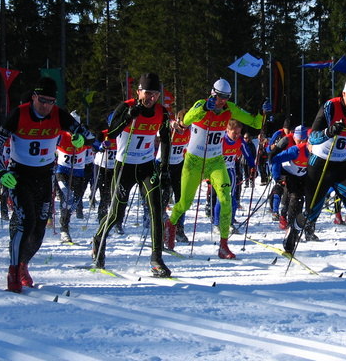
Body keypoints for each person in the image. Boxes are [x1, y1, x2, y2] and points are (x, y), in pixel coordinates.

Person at [0, 77, 92, 292]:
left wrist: (81, 138)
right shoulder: (19, 113)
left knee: (39, 229)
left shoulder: (59, 114)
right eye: (42, 100)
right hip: (19, 175)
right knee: (26, 221)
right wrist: (1, 171)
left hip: (45, 176)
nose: (46, 106)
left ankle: (23, 264)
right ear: (34, 97)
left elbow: (87, 135)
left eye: (51, 101)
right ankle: (13, 271)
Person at [283, 74, 346, 276]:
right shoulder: (330, 107)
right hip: (320, 165)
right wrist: (329, 132)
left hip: (342, 166)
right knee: (311, 214)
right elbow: (313, 138)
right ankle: (294, 230)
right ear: (343, 94)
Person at [166, 78, 268, 259]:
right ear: (213, 93)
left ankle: (223, 245)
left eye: (226, 97)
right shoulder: (201, 104)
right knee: (184, 203)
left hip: (216, 162)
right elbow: (187, 120)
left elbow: (255, 123)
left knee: (226, 200)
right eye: (220, 97)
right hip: (194, 162)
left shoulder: (230, 108)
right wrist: (205, 108)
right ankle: (170, 227)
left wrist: (261, 113)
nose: (223, 101)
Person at [91, 73, 171, 277]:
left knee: (156, 210)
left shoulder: (162, 112)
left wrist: (164, 167)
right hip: (124, 167)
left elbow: (165, 138)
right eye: (147, 93)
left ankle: (156, 259)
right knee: (116, 214)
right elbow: (111, 133)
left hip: (146, 166)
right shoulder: (126, 107)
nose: (151, 97)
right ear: (139, 92)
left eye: (155, 94)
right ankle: (99, 239)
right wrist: (128, 117)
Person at [55, 112, 89, 243]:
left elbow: (97, 143)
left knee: (74, 202)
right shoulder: (60, 135)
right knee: (66, 196)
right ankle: (64, 229)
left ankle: (65, 220)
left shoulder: (84, 134)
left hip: (78, 173)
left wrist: (102, 146)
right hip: (62, 171)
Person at [161, 108, 191, 243]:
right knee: (164, 197)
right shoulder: (170, 129)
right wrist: (171, 124)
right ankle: (161, 227)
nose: (183, 130)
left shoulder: (190, 131)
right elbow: (160, 127)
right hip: (163, 165)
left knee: (181, 199)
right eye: (182, 126)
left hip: (178, 165)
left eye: (187, 126)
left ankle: (179, 229)